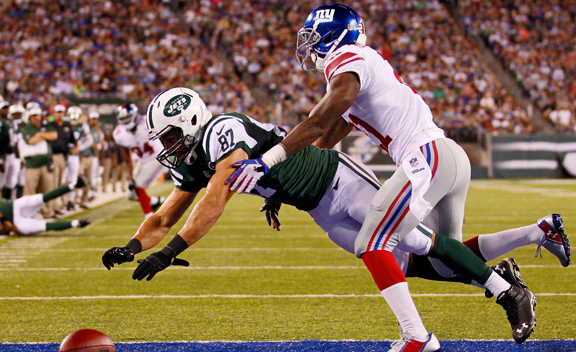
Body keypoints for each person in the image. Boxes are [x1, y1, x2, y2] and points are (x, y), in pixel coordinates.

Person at [102, 89, 568, 350]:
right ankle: (516, 252)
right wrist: (133, 246)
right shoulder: (197, 155)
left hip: (341, 181)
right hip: (318, 207)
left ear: (190, 123)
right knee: (408, 264)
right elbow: (165, 214)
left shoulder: (222, 129)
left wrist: (171, 252)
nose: (166, 146)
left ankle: (491, 297)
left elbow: (217, 195)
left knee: (417, 243)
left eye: (168, 135)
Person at [225, 4, 536, 348]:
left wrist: (268, 160)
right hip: (440, 156)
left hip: (425, 156)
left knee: (372, 243)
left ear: (335, 36)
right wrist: (280, 187)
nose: (310, 48)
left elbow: (317, 122)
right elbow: (324, 140)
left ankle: (420, 336)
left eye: (314, 39)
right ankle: (521, 256)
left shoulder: (345, 58)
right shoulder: (361, 69)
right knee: (445, 263)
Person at [0, 175, 91, 236]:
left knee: (41, 198)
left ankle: (75, 185)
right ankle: (77, 223)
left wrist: (3, 221)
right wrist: (8, 229)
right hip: (16, 222)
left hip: (12, 207)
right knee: (40, 227)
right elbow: (2, 231)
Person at [112, 103, 167, 218]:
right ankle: (155, 201)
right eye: (123, 119)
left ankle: (149, 217)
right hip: (142, 161)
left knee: (138, 186)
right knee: (130, 194)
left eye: (127, 118)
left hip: (157, 158)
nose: (126, 122)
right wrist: (131, 176)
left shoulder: (148, 122)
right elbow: (127, 158)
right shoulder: (119, 133)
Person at [18, 107, 57, 218]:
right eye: (34, 116)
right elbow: (31, 141)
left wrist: (40, 135)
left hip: (46, 163)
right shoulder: (26, 128)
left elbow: (54, 135)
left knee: (47, 190)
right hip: (32, 164)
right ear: (30, 117)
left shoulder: (45, 126)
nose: (36, 118)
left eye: (37, 115)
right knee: (29, 191)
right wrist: (44, 136)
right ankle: (28, 214)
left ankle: (48, 212)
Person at [48, 104, 76, 216]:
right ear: (54, 113)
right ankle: (53, 207)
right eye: (57, 112)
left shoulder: (67, 126)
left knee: (60, 182)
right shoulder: (50, 126)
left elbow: (73, 141)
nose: (59, 114)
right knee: (53, 183)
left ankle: (58, 205)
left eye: (61, 112)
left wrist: (73, 149)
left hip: (63, 157)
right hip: (53, 156)